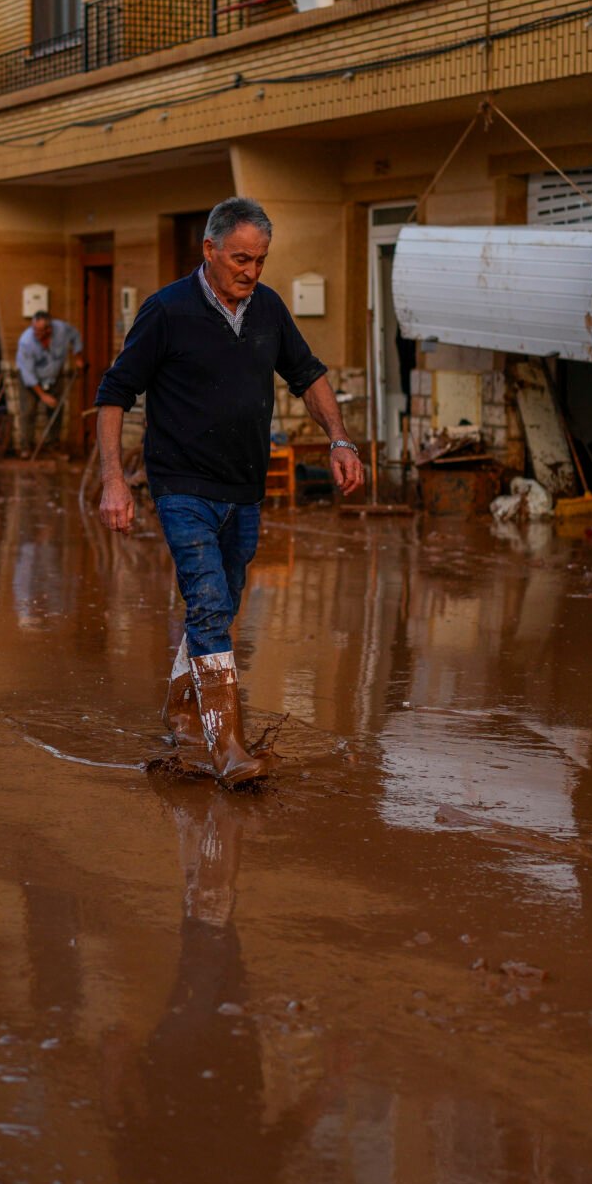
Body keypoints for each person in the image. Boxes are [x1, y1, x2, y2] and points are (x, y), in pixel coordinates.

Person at [94, 197, 363, 787]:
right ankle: (227, 746)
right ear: (209, 250)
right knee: (211, 602)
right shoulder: (166, 311)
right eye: (241, 258)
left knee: (223, 601)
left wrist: (340, 440)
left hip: (244, 488)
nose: (252, 271)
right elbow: (114, 394)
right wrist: (115, 480)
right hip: (182, 485)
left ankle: (182, 710)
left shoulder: (267, 308)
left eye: (261, 261)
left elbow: (308, 375)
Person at [15, 309, 82, 452]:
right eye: (34, 329)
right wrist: (43, 395)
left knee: (56, 409)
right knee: (28, 411)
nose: (36, 334)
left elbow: (75, 335)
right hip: (31, 381)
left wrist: (77, 355)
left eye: (40, 331)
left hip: (53, 376)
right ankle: (26, 446)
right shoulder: (26, 342)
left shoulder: (62, 329)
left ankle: (53, 444)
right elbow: (28, 374)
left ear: (49, 329)